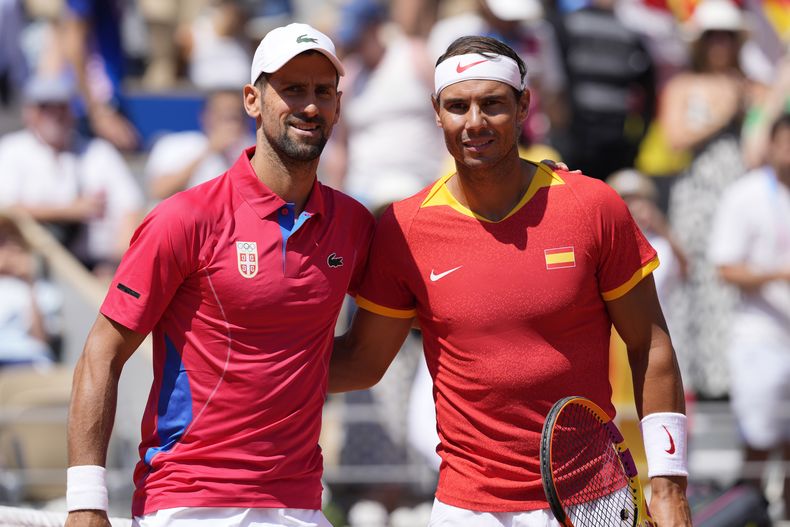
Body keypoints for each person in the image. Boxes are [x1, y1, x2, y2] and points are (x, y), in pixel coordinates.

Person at [330, 35, 692, 526]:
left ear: (524, 106)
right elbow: (362, 361)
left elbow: (650, 344)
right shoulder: (405, 229)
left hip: (593, 499)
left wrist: (669, 488)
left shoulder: (592, 206)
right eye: (457, 106)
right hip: (466, 509)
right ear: (436, 112)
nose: (474, 122)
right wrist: (243, 369)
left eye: (493, 103)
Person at [64, 23, 374, 527]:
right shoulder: (184, 217)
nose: (309, 106)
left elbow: (363, 358)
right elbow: (101, 354)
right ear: (253, 100)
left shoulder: (354, 223)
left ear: (338, 105)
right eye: (292, 89)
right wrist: (85, 502)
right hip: (189, 502)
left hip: (298, 504)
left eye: (323, 91)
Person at [661, 0, 749, 398]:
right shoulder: (683, 85)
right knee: (695, 280)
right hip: (698, 195)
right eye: (713, 36)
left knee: (735, 280)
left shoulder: (749, 86)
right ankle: (696, 381)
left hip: (740, 191)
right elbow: (674, 138)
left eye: (727, 36)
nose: (720, 44)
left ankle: (731, 377)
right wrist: (722, 113)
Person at [708, 113, 790, 517]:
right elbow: (725, 267)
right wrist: (778, 274)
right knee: (758, 440)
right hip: (760, 337)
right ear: (771, 145)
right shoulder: (746, 194)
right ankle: (748, 514)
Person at [0, 74, 144, 274]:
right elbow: (7, 211)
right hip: (32, 267)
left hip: (95, 266)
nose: (55, 115)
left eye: (61, 106)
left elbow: (131, 207)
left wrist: (118, 266)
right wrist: (70, 211)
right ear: (30, 112)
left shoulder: (98, 151)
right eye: (46, 107)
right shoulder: (12, 150)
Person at [144, 88, 255, 200]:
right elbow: (159, 191)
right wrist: (210, 150)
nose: (227, 123)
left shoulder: (254, 150)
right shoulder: (175, 144)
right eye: (221, 114)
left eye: (234, 116)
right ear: (205, 116)